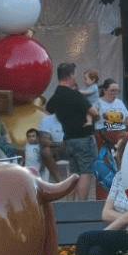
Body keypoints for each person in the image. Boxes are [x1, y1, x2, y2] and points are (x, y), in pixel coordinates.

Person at [49, 62, 99, 200]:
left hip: (68, 139)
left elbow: (48, 108)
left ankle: (70, 205)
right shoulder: (75, 95)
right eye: (75, 75)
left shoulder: (56, 96)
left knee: (73, 173)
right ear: (71, 76)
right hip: (83, 138)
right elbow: (92, 111)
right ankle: (81, 206)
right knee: (86, 173)